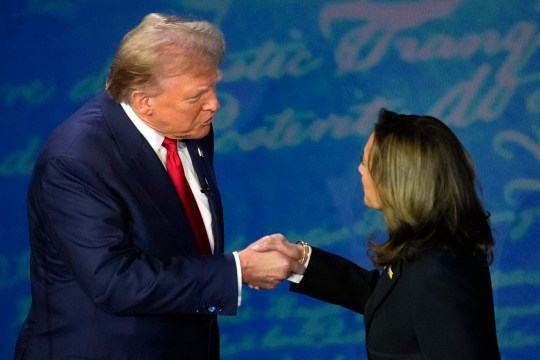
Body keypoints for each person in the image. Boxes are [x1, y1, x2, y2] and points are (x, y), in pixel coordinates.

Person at [14, 13, 303, 360]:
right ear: (143, 101)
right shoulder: (76, 160)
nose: (214, 103)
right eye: (197, 94)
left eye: (214, 86)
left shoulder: (190, 125)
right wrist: (238, 270)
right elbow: (114, 282)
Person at [253, 109, 501, 359]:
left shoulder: (439, 273)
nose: (360, 169)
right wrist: (301, 259)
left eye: (365, 160)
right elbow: (391, 301)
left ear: (399, 178)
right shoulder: (429, 246)